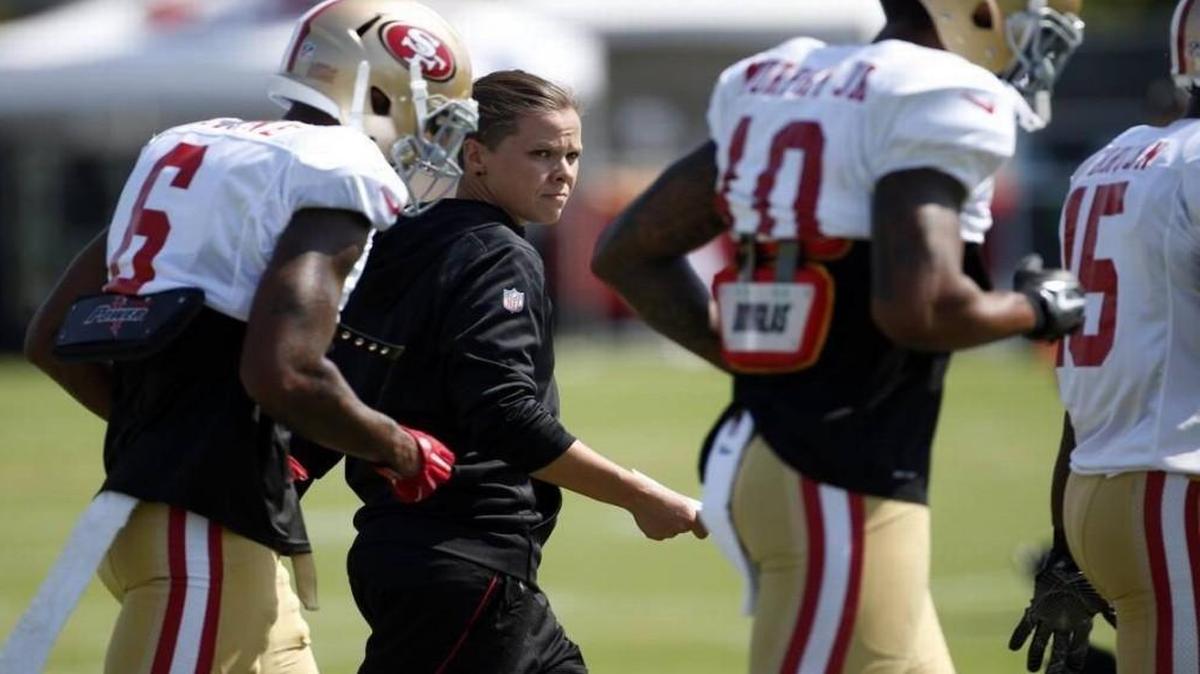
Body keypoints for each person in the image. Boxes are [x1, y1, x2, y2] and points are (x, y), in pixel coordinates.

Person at [591, 1, 1087, 672]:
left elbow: (628, 252)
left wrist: (755, 360)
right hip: (837, 476)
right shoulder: (939, 91)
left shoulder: (787, 78)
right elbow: (921, 308)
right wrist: (1039, 307)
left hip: (770, 444)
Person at [18, 1, 476, 672]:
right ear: (378, 89)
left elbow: (53, 334)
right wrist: (401, 448)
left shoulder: (190, 145)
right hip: (203, 542)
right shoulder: (338, 164)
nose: (431, 135)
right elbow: (286, 371)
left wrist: (169, 436)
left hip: (190, 524)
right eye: (431, 108)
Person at [289, 69, 706, 674]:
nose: (563, 171)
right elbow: (504, 413)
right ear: (476, 156)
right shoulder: (498, 253)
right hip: (465, 563)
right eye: (541, 153)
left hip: (414, 558)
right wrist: (641, 495)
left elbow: (338, 378)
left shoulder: (402, 238)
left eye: (572, 154)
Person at [1010, 2, 1200, 671]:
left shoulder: (1109, 162)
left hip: (1099, 479)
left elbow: (1093, 362)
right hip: (1174, 484)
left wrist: (1066, 539)